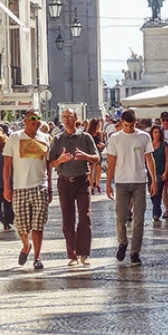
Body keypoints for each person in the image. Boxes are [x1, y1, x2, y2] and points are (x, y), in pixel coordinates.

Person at [49, 108, 100, 267]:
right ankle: (72, 255)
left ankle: (83, 252)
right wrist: (61, 160)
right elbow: (51, 163)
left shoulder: (85, 137)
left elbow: (96, 158)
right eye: (64, 117)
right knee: (68, 219)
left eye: (69, 117)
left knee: (85, 216)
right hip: (64, 182)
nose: (66, 120)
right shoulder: (57, 139)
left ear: (76, 118)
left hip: (82, 181)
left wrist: (85, 156)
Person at [106, 110, 157, 266]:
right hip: (121, 182)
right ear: (122, 123)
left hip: (139, 182)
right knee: (121, 217)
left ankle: (135, 252)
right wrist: (108, 183)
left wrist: (153, 180)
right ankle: (122, 242)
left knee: (139, 220)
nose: (129, 128)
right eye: (126, 125)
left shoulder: (144, 137)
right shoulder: (115, 138)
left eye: (131, 125)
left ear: (136, 122)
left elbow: (149, 159)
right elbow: (111, 162)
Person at [3, 108, 52, 270]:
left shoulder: (45, 138)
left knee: (38, 225)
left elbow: (48, 165)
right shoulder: (14, 137)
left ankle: (37, 258)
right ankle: (26, 246)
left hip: (40, 187)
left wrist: (50, 187)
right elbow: (7, 165)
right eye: (32, 118)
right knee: (22, 226)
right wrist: (6, 187)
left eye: (38, 118)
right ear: (25, 120)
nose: (35, 121)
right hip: (20, 188)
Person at [148, 125, 168, 223]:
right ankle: (157, 209)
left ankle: (156, 213)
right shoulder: (148, 145)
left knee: (157, 191)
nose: (157, 134)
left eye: (159, 132)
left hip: (160, 171)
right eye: (155, 132)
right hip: (150, 171)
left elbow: (167, 160)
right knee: (152, 192)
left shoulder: (164, 145)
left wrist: (166, 172)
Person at [85, 118, 105, 194]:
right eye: (98, 125)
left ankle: (97, 184)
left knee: (99, 169)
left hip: (98, 153)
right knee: (91, 170)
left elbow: (102, 143)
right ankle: (91, 186)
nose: (99, 126)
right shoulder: (88, 134)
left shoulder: (99, 133)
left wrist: (102, 144)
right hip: (90, 153)